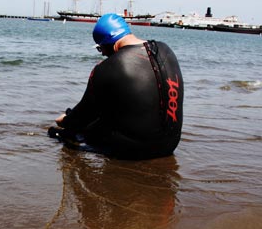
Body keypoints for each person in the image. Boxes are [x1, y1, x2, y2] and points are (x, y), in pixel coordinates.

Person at [51, 13, 183, 159]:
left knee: (62, 132)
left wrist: (64, 120)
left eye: (100, 49)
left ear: (112, 44)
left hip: (138, 151)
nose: (102, 54)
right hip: (170, 145)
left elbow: (83, 116)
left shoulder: (107, 67)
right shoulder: (165, 49)